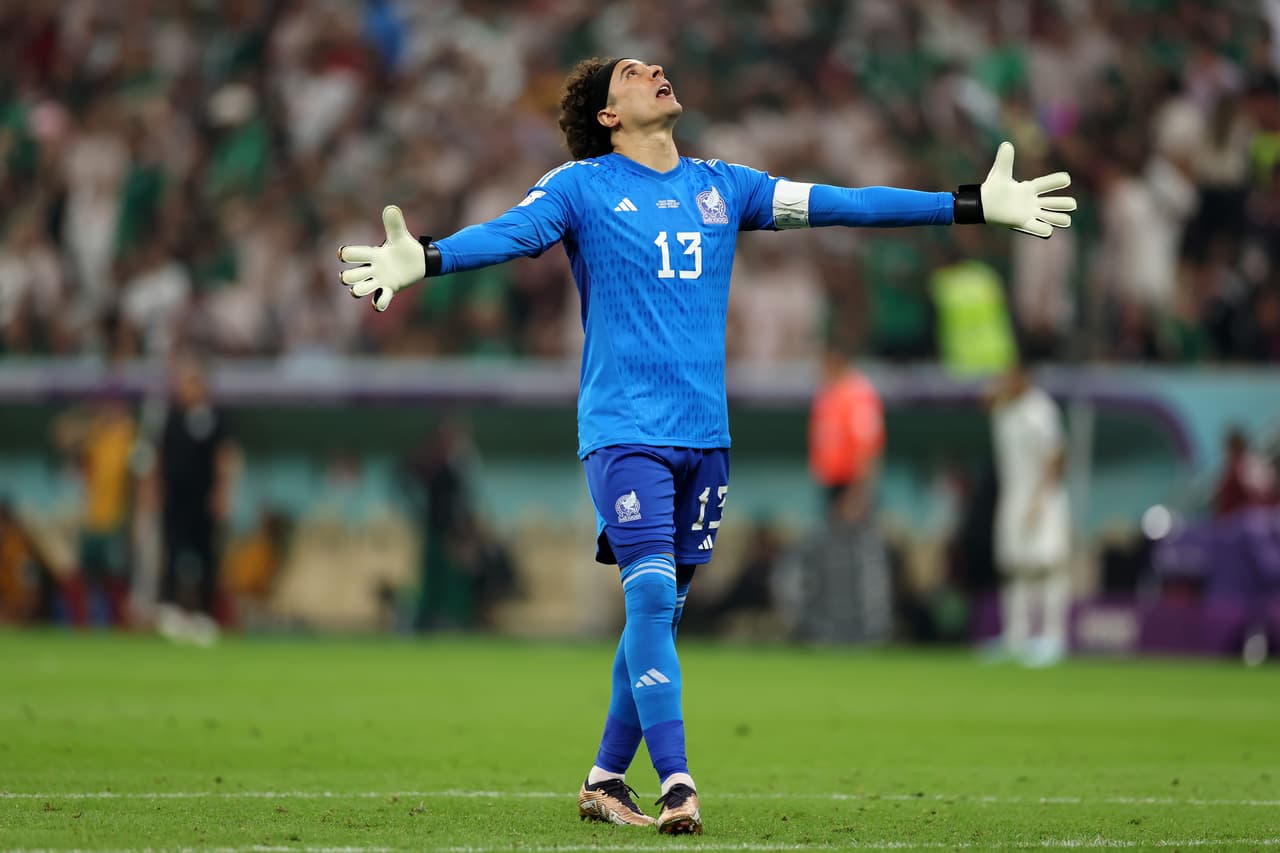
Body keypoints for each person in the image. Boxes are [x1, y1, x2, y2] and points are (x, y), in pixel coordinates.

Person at [338, 57, 1076, 834]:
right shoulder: (578, 187)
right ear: (609, 116)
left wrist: (964, 205)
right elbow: (512, 234)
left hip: (705, 437)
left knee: (660, 612)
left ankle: (603, 778)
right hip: (625, 432)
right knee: (652, 597)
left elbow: (845, 203)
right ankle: (678, 781)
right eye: (632, 71)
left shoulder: (727, 187)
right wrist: (427, 254)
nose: (655, 68)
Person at [987, 361, 1071, 667]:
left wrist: (1040, 499)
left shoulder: (1041, 410)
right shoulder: (1005, 408)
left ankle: (1053, 637)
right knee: (1014, 567)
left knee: (1047, 566)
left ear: (1024, 377)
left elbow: (1057, 454)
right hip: (1012, 496)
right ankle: (1015, 637)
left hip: (1041, 497)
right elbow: (985, 403)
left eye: (1009, 376)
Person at [155, 356, 238, 646]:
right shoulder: (171, 417)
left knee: (206, 554)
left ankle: (204, 613)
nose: (186, 389)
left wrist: (221, 494)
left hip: (203, 498)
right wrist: (156, 492)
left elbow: (223, 458)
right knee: (173, 550)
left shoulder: (216, 417)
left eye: (191, 383)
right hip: (176, 498)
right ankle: (170, 609)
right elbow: (159, 459)